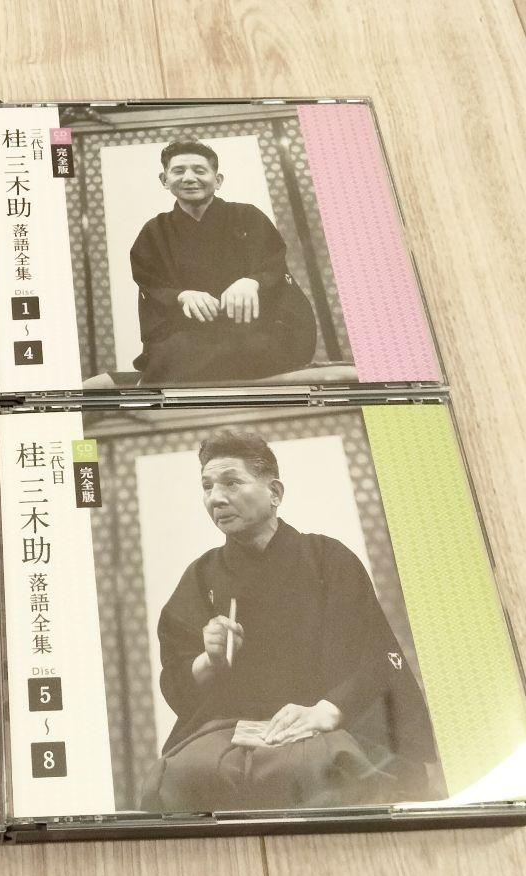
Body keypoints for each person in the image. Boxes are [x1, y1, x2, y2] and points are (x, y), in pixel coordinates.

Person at [140, 429, 441, 812]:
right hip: (232, 730)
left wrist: (324, 711)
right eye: (207, 486)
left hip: (329, 723)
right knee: (177, 777)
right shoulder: (201, 576)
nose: (216, 498)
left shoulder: (327, 559)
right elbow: (177, 683)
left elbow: (376, 658)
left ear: (275, 493)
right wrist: (209, 661)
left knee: (321, 773)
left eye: (231, 482)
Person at [129, 141, 318, 384]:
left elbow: (273, 263)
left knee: (258, 346)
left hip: (253, 327)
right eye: (178, 171)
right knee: (177, 351)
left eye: (199, 170)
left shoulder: (247, 216)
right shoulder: (155, 231)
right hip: (189, 334)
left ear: (217, 180)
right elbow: (150, 282)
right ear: (164, 180)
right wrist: (182, 296)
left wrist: (252, 282)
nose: (189, 178)